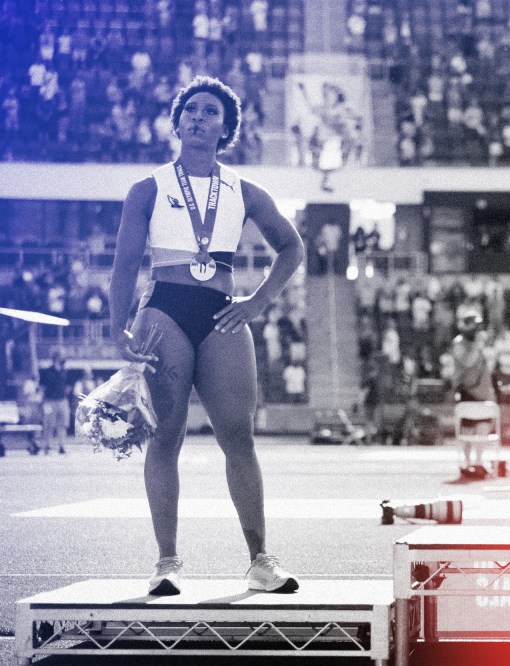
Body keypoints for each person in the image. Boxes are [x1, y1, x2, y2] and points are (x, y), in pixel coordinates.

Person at [109, 76, 305, 594]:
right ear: (177, 123)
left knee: (238, 437)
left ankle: (260, 560)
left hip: (222, 310)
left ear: (226, 129)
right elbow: (126, 263)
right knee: (165, 436)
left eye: (210, 112)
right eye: (190, 110)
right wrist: (116, 327)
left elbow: (292, 247)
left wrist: (260, 300)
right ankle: (167, 562)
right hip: (163, 311)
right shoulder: (148, 188)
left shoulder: (244, 190)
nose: (198, 117)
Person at [450, 306, 496, 477]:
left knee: (483, 428)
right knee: (468, 431)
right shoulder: (459, 343)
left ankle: (479, 461)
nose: (477, 329)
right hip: (467, 391)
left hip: (483, 391)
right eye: (473, 325)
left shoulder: (479, 344)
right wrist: (478, 345)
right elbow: (468, 362)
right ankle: (467, 462)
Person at [38, 347, 70, 455]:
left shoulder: (64, 372)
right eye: (62, 355)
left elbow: (67, 386)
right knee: (49, 424)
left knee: (62, 424)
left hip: (62, 400)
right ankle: (47, 445)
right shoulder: (46, 372)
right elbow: (42, 388)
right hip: (50, 400)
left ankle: (62, 446)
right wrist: (43, 402)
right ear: (57, 357)